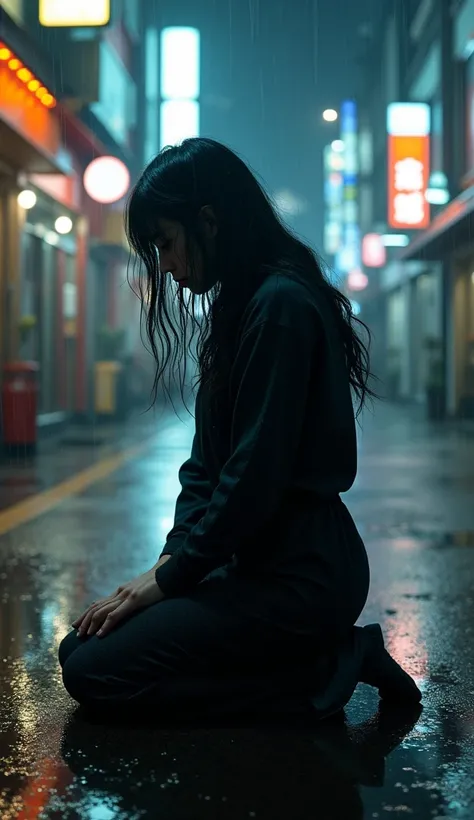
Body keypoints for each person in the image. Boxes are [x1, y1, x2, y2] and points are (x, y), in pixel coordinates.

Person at [58, 138, 421, 718]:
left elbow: (255, 475)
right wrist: (166, 568)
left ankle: (333, 663)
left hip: (302, 576)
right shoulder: (239, 308)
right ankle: (310, 664)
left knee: (95, 673)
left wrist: (172, 580)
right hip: (252, 564)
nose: (168, 266)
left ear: (209, 222)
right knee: (81, 647)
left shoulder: (280, 305)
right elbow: (204, 468)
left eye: (167, 244)